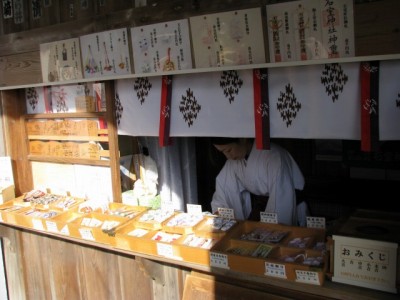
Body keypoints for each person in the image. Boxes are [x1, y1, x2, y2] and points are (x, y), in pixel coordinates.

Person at [210, 137, 306, 226]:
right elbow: (224, 187)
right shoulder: (234, 161)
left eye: (229, 150)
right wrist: (221, 211)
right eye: (223, 152)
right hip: (260, 209)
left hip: (284, 203)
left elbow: (281, 196)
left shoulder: (274, 156)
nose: (228, 156)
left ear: (243, 139)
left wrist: (270, 225)